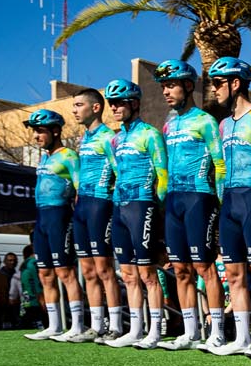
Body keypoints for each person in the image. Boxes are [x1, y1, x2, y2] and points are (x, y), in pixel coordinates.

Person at [203, 58, 251, 357]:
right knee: (233, 274)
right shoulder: (223, 125)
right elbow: (220, 167)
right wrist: (222, 199)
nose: (214, 89)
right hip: (230, 203)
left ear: (236, 83)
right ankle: (242, 338)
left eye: (218, 83)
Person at [154, 60, 227, 350]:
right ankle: (190, 332)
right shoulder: (168, 125)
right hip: (174, 200)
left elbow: (220, 165)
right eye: (163, 87)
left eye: (171, 85)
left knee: (204, 267)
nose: (166, 92)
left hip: (199, 198)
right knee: (180, 268)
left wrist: (220, 201)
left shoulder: (205, 121)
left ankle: (217, 331)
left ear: (187, 85)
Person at [100, 79, 170, 349]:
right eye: (111, 104)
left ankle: (155, 330)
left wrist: (156, 208)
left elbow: (162, 175)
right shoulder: (115, 140)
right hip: (120, 207)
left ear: (134, 103)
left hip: (142, 206)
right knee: (128, 274)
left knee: (147, 274)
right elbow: (116, 174)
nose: (114, 108)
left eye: (119, 103)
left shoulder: (150, 134)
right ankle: (136, 329)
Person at [65, 87, 126, 341]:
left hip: (101, 205)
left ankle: (116, 326)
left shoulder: (108, 137)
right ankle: (96, 326)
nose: (74, 110)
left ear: (96, 107)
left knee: (104, 269)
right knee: (87, 270)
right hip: (82, 206)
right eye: (74, 105)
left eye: (79, 105)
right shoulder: (84, 139)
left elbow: (119, 171)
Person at [22, 108, 86, 341]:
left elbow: (80, 189)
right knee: (45, 273)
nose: (36, 136)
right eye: (34, 131)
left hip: (60, 215)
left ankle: (77, 326)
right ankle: (54, 325)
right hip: (41, 217)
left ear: (56, 131)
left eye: (40, 131)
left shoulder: (69, 155)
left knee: (65, 272)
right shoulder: (44, 157)